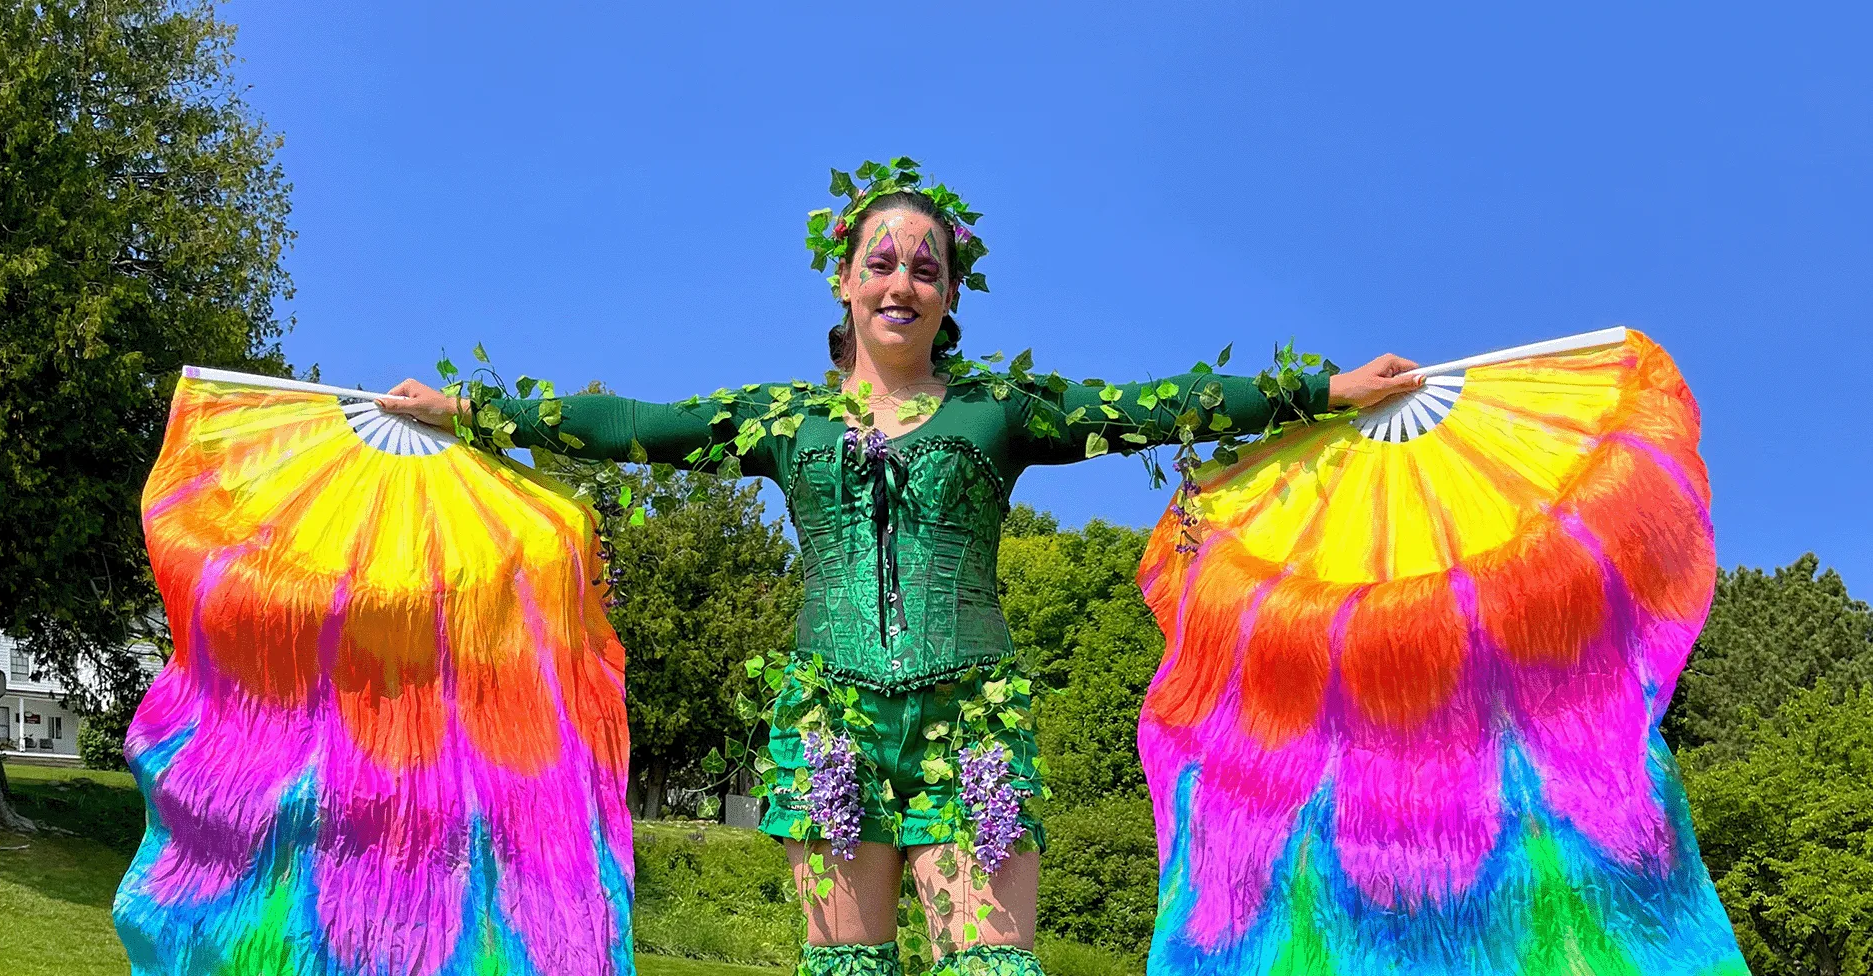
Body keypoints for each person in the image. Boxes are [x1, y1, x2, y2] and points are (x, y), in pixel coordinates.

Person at [384, 161, 1420, 976]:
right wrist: (473, 412)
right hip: (828, 721)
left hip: (971, 718)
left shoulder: (1001, 409)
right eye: (881, 262)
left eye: (926, 267)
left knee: (989, 961)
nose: (901, 282)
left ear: (953, 292)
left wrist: (1323, 389)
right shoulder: (785, 419)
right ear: (844, 279)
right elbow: (642, 424)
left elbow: (1153, 404)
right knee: (846, 964)